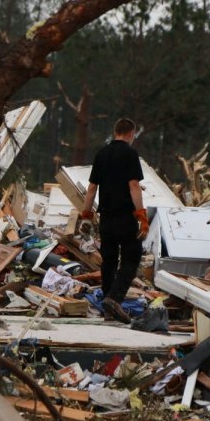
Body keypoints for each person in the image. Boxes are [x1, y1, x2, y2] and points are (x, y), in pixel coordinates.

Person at [79, 118, 149, 323]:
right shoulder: (130, 154)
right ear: (130, 134)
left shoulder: (101, 154)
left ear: (115, 131)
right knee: (132, 257)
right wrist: (142, 215)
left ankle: (108, 310)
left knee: (109, 262)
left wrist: (86, 215)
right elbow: (134, 185)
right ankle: (114, 299)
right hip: (125, 216)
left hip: (106, 219)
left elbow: (92, 188)